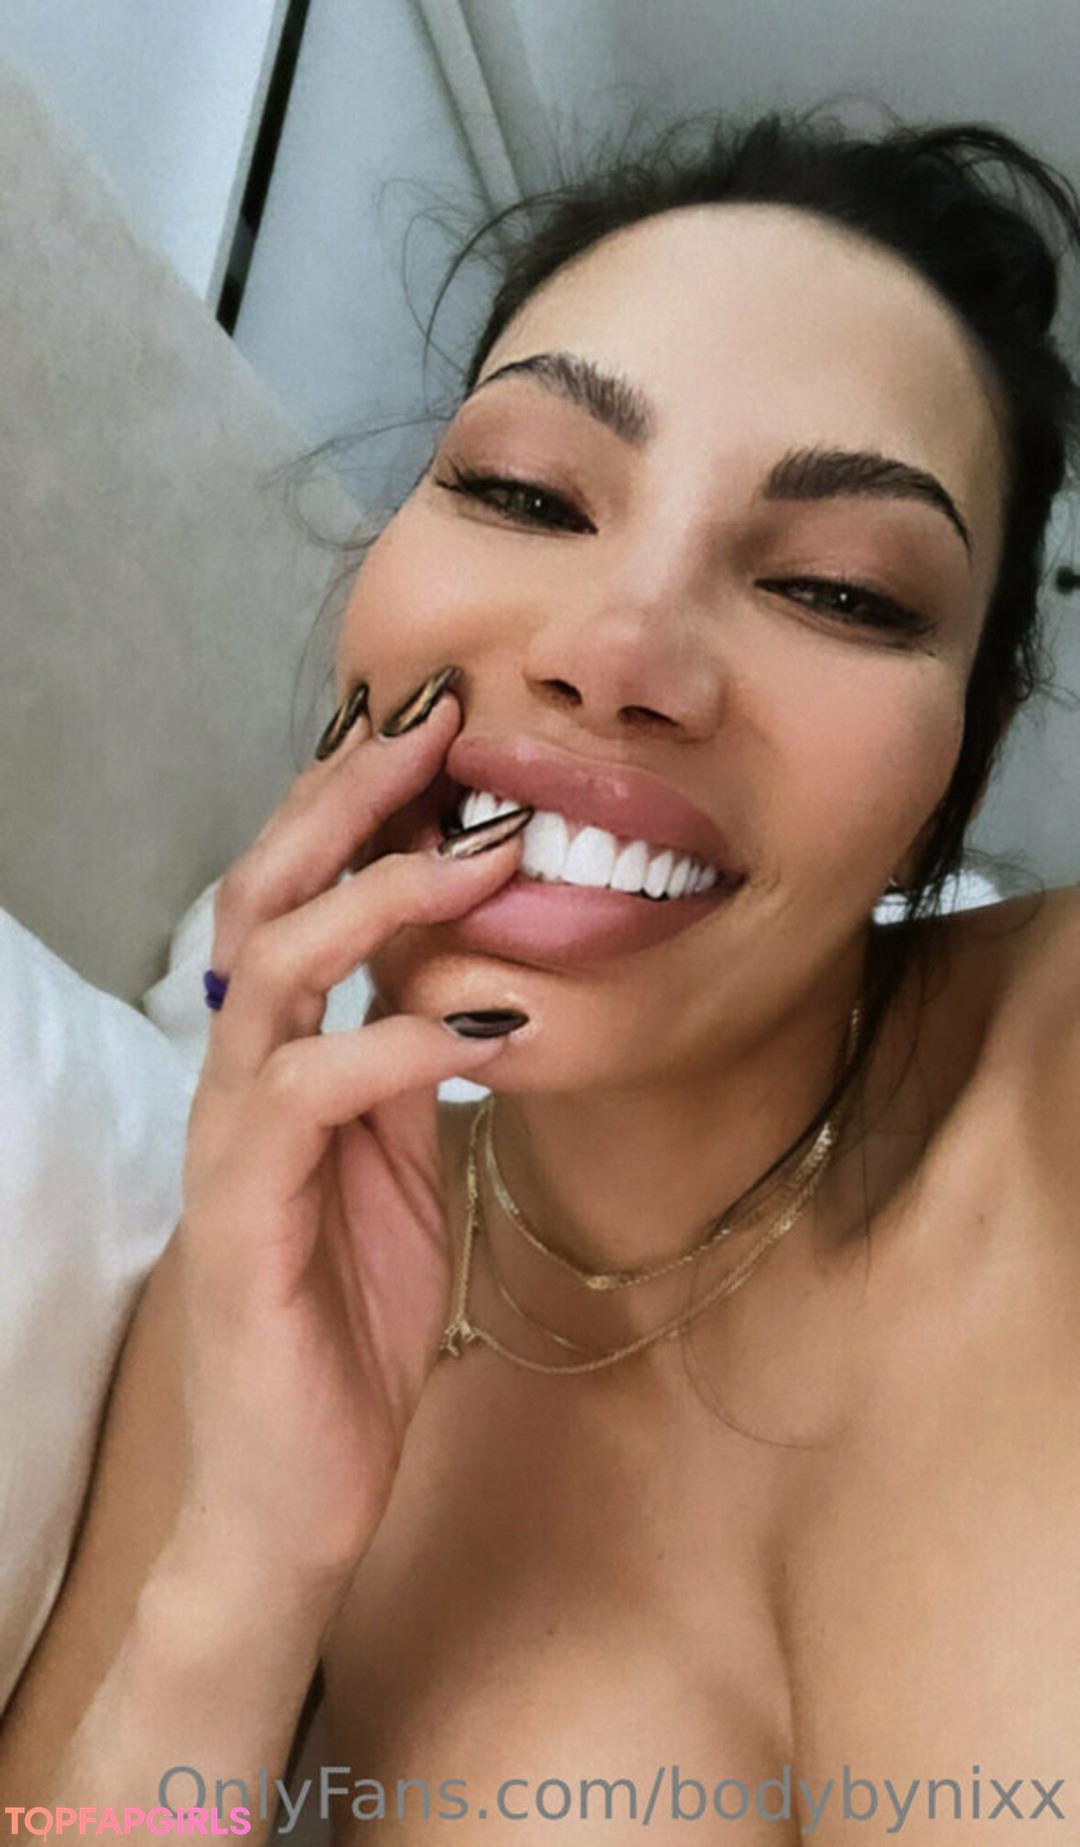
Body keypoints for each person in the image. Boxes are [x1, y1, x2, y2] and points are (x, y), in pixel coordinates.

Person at [2, 107, 1080, 1844]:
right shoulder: (269, 1273)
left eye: (843, 592)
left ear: (955, 772)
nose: (621, 650)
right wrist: (248, 1568)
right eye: (524, 493)